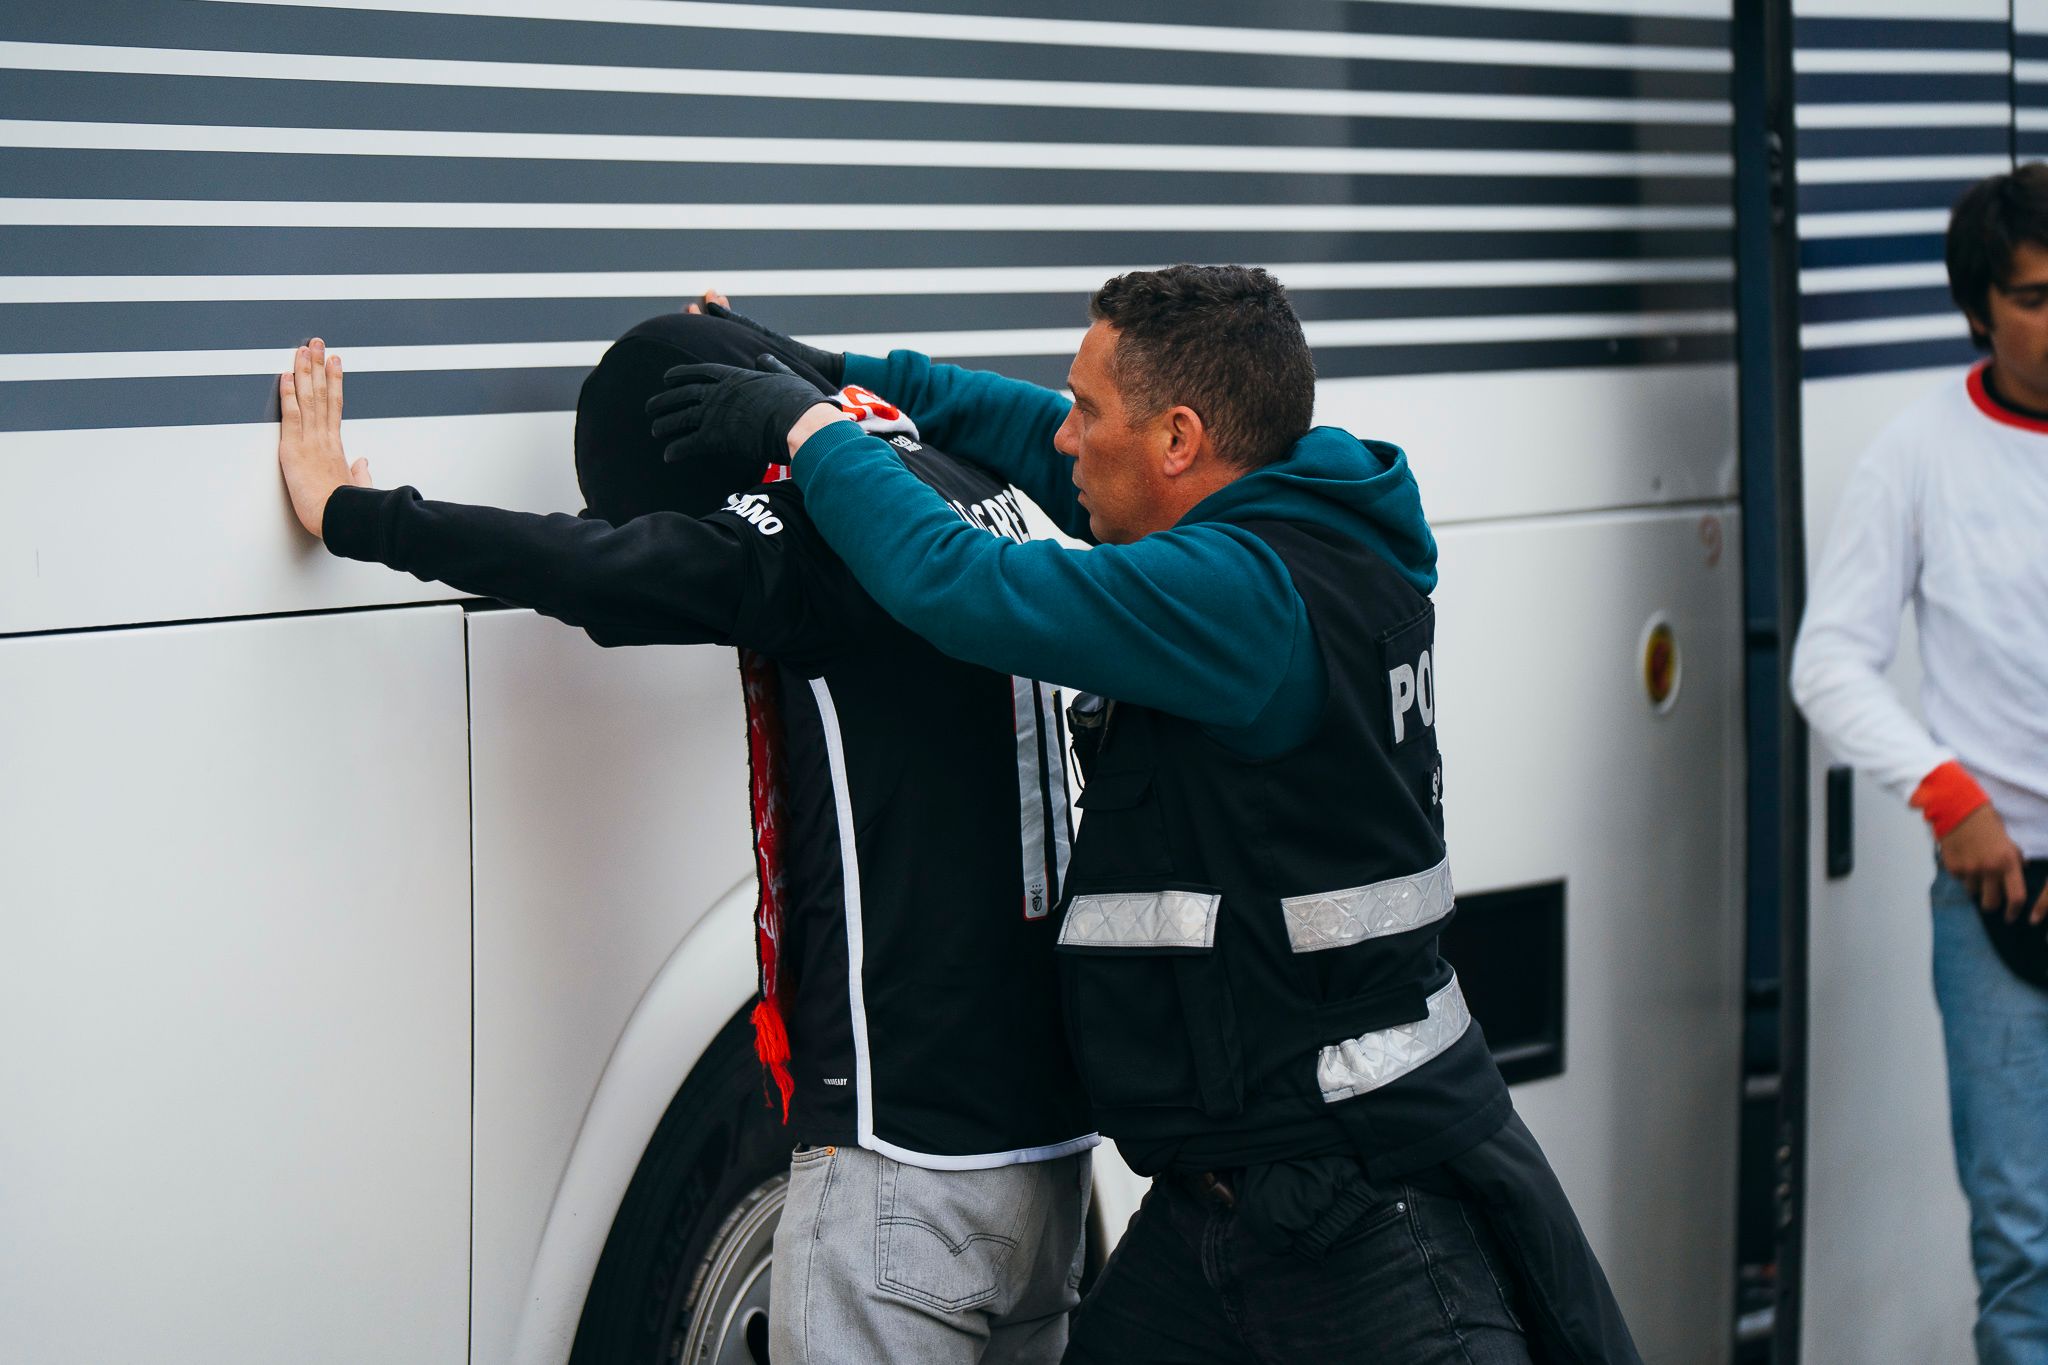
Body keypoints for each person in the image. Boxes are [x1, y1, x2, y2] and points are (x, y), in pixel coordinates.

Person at [654, 270, 1641, 1363]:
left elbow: (954, 584)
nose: (1066, 437)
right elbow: (1034, 438)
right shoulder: (1312, 521)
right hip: (1227, 1199)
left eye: (1091, 410)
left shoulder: (1239, 600)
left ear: (1177, 441)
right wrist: (841, 377)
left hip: (1354, 1208)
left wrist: (808, 433)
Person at [274, 312, 1096, 1365]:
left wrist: (355, 511)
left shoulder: (822, 530)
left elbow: (599, 569)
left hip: (910, 1163)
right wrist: (764, 344)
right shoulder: (970, 483)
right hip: (1045, 1163)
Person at [1792, 165, 2048, 1364]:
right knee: (2025, 1250)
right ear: (1978, 309)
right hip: (2003, 902)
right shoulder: (1917, 452)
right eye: (2036, 297)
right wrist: (1948, 798)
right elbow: (1828, 662)